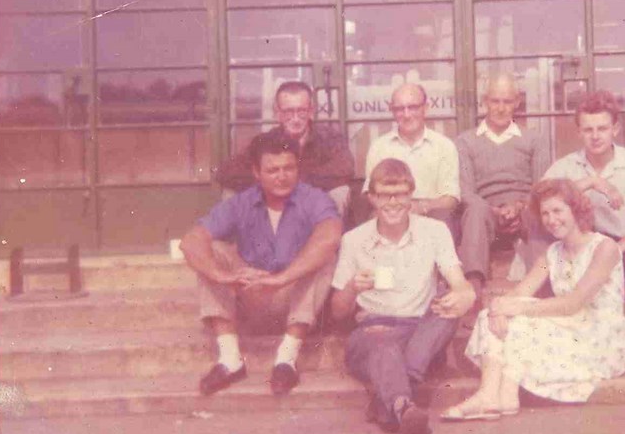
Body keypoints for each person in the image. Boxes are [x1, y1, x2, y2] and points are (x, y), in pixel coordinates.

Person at [441, 178, 625, 420]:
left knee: (519, 319)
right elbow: (519, 293)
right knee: (490, 314)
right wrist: (498, 310)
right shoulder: (552, 253)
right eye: (545, 213)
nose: (552, 220)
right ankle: (499, 396)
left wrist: (513, 309)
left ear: (575, 209)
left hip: (600, 338)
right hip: (570, 327)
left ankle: (493, 394)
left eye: (557, 211)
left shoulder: (604, 248)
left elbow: (573, 303)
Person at [180, 128, 342, 396]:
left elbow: (330, 235)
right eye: (272, 170)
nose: (282, 176)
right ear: (256, 172)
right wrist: (224, 277)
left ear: (298, 168)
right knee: (213, 251)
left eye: (288, 168)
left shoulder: (313, 199)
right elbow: (191, 241)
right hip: (251, 297)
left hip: (294, 301)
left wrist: (282, 278)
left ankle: (286, 360)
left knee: (325, 256)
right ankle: (230, 359)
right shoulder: (241, 202)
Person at [331, 158, 476, 434]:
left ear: (411, 195)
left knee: (446, 310)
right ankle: (401, 405)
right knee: (383, 343)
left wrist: (462, 296)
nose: (393, 203)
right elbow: (337, 312)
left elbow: (459, 283)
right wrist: (351, 288)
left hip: (421, 331)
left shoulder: (434, 231)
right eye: (385, 195)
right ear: (372, 198)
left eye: (400, 194)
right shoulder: (354, 240)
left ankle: (389, 402)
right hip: (375, 331)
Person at [542, 90, 625, 374]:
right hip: (581, 251)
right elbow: (539, 203)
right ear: (579, 132)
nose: (595, 136)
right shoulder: (565, 166)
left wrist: (616, 250)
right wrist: (590, 183)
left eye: (602, 128)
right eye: (588, 130)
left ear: (615, 129)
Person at [455, 73, 548, 287]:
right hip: (486, 211)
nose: (500, 108)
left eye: (507, 101)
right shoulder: (465, 142)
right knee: (475, 211)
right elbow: (465, 191)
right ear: (485, 101)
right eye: (495, 101)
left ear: (517, 102)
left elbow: (541, 186)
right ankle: (473, 284)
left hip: (523, 208)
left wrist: (519, 206)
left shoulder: (534, 139)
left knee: (538, 210)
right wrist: (493, 210)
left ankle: (542, 284)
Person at [216, 80, 356, 219]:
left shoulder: (329, 138)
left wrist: (293, 180)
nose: (295, 119)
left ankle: (328, 233)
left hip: (314, 208)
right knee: (230, 194)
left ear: (311, 111)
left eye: (301, 111)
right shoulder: (265, 141)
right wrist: (271, 182)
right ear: (278, 113)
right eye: (288, 112)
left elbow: (345, 169)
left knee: (340, 192)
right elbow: (225, 172)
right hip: (275, 205)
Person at [361, 83, 460, 234]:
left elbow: (450, 198)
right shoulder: (379, 146)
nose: (407, 115)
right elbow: (371, 194)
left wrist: (421, 207)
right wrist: (395, 208)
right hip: (390, 212)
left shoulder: (444, 146)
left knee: (443, 221)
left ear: (426, 108)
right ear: (392, 111)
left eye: (413, 107)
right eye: (400, 109)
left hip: (431, 215)